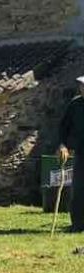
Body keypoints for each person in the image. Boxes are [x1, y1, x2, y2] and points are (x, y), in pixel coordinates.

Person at [57, 75, 84, 233]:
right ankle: (78, 224)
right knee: (79, 189)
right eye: (81, 85)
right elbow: (64, 127)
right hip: (81, 152)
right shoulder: (75, 105)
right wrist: (63, 145)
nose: (82, 88)